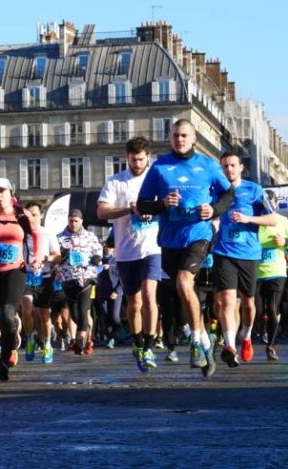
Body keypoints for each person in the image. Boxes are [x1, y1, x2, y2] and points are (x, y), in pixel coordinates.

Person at [136, 119, 234, 377]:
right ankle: (204, 341)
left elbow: (228, 195)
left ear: (193, 138)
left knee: (183, 283)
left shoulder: (208, 165)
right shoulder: (159, 168)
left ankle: (194, 341)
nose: (180, 140)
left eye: (184, 135)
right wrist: (162, 204)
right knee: (183, 292)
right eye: (176, 135)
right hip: (170, 239)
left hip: (198, 235)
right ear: (170, 138)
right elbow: (143, 205)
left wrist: (214, 209)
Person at [97, 136, 162, 372]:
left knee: (149, 295)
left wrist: (152, 209)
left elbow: (167, 204)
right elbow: (102, 212)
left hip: (153, 247)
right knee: (133, 303)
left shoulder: (155, 179)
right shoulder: (116, 182)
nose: (137, 164)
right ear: (127, 158)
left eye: (141, 160)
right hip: (126, 252)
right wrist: (130, 209)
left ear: (148, 157)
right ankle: (137, 343)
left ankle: (150, 345)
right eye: (133, 160)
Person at [209, 150, 276, 372]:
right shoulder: (216, 190)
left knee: (248, 304)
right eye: (225, 166)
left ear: (241, 168)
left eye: (232, 166)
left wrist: (248, 218)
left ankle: (246, 336)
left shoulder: (254, 190)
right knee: (227, 300)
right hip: (223, 252)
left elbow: (273, 218)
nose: (229, 170)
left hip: (249, 254)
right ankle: (230, 346)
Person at [0, 178, 43, 380]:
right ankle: (10, 347)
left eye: (1, 191)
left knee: (6, 312)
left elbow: (36, 234)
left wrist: (37, 256)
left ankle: (5, 357)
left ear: (10, 193)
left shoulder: (21, 214)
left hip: (16, 270)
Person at [52, 209, 103, 356]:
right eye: (71, 221)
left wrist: (96, 258)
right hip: (68, 279)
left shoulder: (90, 236)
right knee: (75, 315)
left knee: (82, 310)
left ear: (81, 221)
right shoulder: (60, 238)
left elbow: (98, 250)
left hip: (86, 277)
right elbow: (54, 257)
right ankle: (88, 338)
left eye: (76, 221)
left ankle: (80, 342)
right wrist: (61, 257)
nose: (73, 224)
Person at [256, 201, 288, 361]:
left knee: (273, 308)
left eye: (270, 203)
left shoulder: (282, 220)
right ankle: (260, 330)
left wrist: (285, 242)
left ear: (274, 204)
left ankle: (271, 346)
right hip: (256, 273)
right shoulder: (254, 220)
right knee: (258, 312)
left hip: (277, 272)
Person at [21, 201, 60, 365]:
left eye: (35, 214)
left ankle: (47, 344)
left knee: (44, 316)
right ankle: (30, 338)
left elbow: (57, 255)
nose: (32, 218)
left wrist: (44, 259)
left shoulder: (48, 233)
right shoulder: (22, 234)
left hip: (44, 277)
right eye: (29, 215)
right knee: (27, 309)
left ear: (41, 215)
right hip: (26, 276)